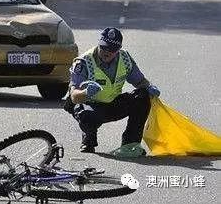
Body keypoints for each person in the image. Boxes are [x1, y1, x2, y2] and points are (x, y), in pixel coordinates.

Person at [64, 27, 160, 157]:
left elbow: (140, 82)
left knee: (142, 97)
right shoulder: (83, 62)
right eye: (104, 47)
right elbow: (74, 96)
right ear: (99, 44)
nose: (107, 52)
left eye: (112, 49)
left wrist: (149, 87)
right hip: (90, 105)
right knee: (87, 116)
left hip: (112, 104)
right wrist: (86, 92)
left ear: (118, 50)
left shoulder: (125, 59)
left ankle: (130, 144)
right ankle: (89, 138)